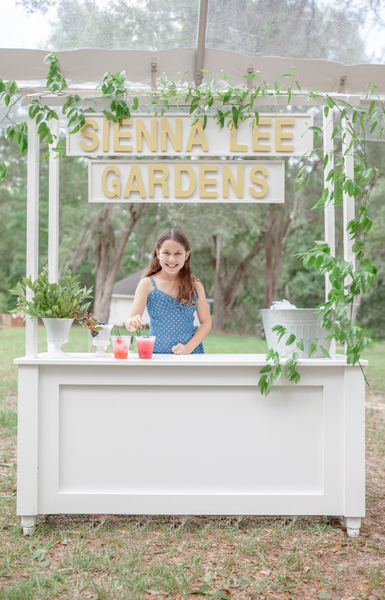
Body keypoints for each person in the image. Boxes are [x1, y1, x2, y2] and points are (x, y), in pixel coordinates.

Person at [125, 229, 212, 354]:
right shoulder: (147, 284)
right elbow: (132, 321)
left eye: (178, 253)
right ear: (158, 253)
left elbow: (206, 323)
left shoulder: (195, 285)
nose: (171, 259)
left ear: (186, 255)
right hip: (155, 353)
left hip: (189, 355)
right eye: (166, 252)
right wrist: (131, 323)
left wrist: (188, 347)